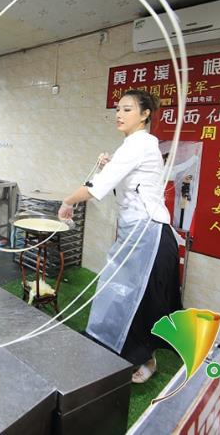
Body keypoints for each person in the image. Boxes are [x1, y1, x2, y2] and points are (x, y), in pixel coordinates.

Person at [58, 89, 181, 384]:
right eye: (117, 109)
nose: (119, 114)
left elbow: (97, 188)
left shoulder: (139, 144)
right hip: (136, 232)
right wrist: (110, 166)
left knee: (137, 300)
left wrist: (67, 201)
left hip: (148, 235)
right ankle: (114, 351)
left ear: (145, 114)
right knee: (117, 292)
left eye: (127, 109)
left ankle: (145, 359)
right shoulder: (134, 145)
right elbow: (126, 183)